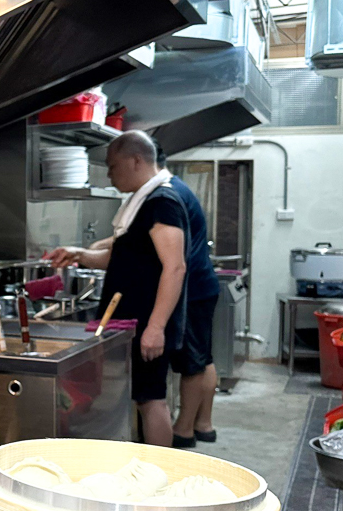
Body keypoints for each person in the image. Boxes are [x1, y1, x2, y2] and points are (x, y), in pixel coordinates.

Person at [47, 131, 188, 446]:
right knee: (142, 398)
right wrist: (80, 255)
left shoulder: (161, 202)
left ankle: (159, 481)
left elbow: (175, 267)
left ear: (136, 160)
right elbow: (120, 258)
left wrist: (156, 327)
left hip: (144, 324)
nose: (109, 174)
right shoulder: (140, 204)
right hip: (130, 324)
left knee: (152, 400)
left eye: (112, 166)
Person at [156, 147, 220, 448]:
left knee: (194, 363)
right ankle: (203, 424)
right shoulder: (179, 188)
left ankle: (183, 430)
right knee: (203, 358)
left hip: (191, 291)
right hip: (202, 286)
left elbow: (172, 257)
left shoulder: (167, 195)